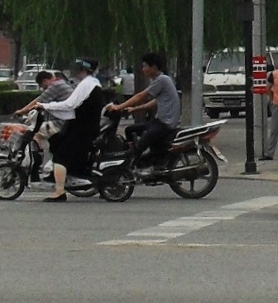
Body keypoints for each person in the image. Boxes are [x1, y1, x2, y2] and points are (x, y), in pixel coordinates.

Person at [43, 59, 107, 201]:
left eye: (78, 69)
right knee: (56, 141)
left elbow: (69, 105)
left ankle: (59, 191)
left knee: (61, 156)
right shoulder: (93, 83)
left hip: (82, 128)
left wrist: (45, 106)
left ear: (83, 70)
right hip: (84, 126)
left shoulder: (86, 84)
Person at [107, 52, 181, 169]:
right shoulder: (162, 80)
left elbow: (140, 96)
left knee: (138, 147)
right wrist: (135, 109)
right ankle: (138, 162)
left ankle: (131, 162)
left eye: (145, 66)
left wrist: (118, 107)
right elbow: (155, 102)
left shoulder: (162, 80)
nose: (143, 69)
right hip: (158, 122)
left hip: (165, 124)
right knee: (130, 130)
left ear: (154, 67)